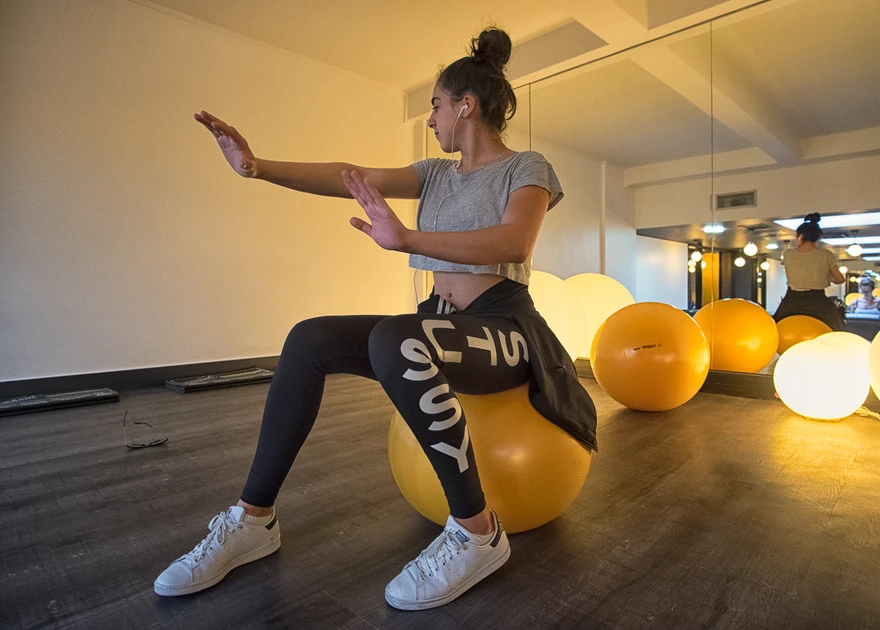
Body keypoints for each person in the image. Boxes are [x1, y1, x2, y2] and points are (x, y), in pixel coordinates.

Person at [153, 28, 597, 610]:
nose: (432, 117)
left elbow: (515, 241)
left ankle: (477, 531)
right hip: (441, 323)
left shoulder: (527, 166)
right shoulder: (435, 175)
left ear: (467, 105)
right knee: (309, 337)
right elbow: (349, 175)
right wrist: (257, 166)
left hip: (506, 332)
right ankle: (253, 519)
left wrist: (408, 237)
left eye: (437, 104)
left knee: (397, 338)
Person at [773, 213, 846, 330]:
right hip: (817, 301)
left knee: (776, 328)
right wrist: (828, 278)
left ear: (800, 236)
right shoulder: (826, 255)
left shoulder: (788, 254)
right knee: (834, 330)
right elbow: (840, 279)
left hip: (792, 300)